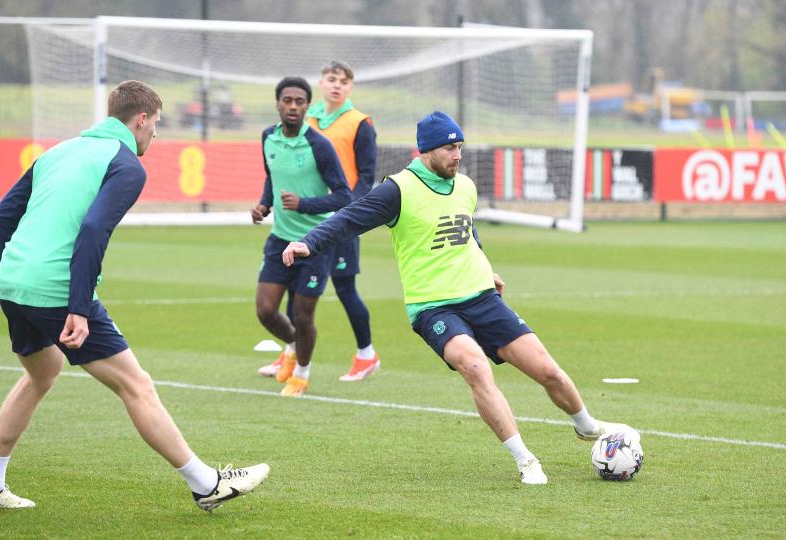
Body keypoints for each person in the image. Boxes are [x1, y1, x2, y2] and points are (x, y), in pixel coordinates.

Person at [281, 111, 640, 484]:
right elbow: (348, 219)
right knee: (475, 367)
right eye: (451, 148)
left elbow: (466, 232)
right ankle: (525, 460)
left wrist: (487, 268)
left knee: (547, 370)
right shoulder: (397, 190)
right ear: (426, 150)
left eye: (460, 147)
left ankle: (587, 426)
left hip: (482, 298)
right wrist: (308, 242)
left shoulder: (465, 185)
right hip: (433, 306)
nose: (458, 155)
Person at [0, 80, 268, 512]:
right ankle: (207, 484)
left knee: (42, 372)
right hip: (55, 288)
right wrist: (77, 307)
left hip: (13, 282)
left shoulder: (58, 151)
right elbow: (94, 230)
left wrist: (19, 275)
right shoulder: (127, 165)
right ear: (141, 119)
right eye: (157, 125)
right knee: (136, 384)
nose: (155, 134)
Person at [258, 61, 380, 383]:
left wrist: (351, 216)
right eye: (331, 79)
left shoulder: (359, 123)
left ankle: (366, 354)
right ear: (321, 85)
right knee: (292, 295)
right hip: (303, 226)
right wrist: (267, 202)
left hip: (342, 219)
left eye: (343, 81)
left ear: (350, 87)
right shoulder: (307, 120)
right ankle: (291, 353)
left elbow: (365, 176)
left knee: (344, 288)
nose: (336, 85)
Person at [251, 76, 351, 397]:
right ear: (278, 103)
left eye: (299, 102)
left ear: (308, 106)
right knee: (266, 309)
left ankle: (302, 374)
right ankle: (292, 346)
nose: (292, 106)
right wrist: (265, 203)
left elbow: (344, 197)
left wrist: (304, 204)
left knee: (303, 314)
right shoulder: (268, 137)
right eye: (287, 100)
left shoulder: (319, 145)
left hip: (314, 244)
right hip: (280, 239)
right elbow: (272, 177)